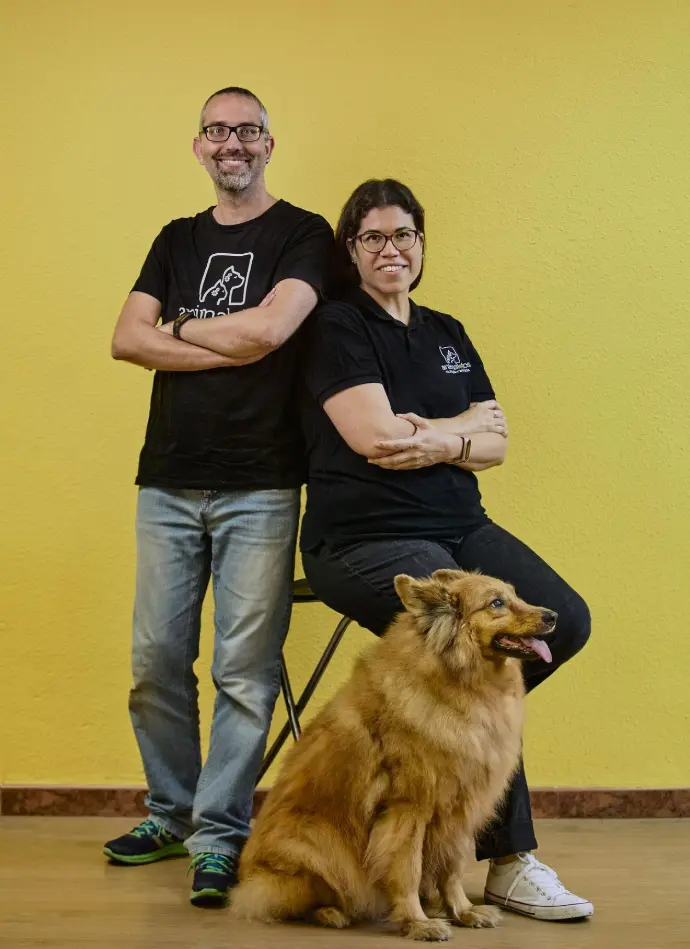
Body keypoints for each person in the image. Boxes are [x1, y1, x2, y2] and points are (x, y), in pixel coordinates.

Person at [299, 178, 593, 923]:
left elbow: (497, 442)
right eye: (372, 237)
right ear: (352, 250)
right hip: (361, 539)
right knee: (472, 660)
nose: (390, 250)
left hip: (459, 526)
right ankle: (509, 862)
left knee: (565, 622)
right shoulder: (336, 326)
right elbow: (374, 437)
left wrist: (436, 438)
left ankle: (430, 800)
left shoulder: (447, 331)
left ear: (422, 244)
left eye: (404, 235)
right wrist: (459, 432)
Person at [105, 86, 333, 907]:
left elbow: (270, 332)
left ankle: (218, 834)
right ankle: (169, 812)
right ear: (199, 145)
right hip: (167, 480)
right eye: (217, 130)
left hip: (262, 483)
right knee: (154, 663)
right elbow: (125, 338)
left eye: (246, 130)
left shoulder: (304, 234)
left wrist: (175, 333)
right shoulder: (176, 238)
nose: (231, 143)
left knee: (245, 670)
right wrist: (225, 339)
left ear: (269, 142)